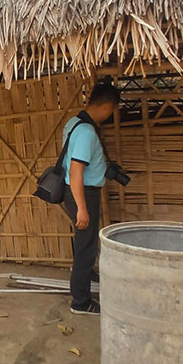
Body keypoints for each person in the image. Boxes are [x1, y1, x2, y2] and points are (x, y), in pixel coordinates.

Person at [60, 81, 121, 315]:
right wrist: (82, 208)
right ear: (107, 106)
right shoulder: (86, 132)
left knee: (85, 243)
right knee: (85, 247)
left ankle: (88, 275)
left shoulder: (74, 122)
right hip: (81, 193)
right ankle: (80, 301)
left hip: (77, 191)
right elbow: (76, 170)